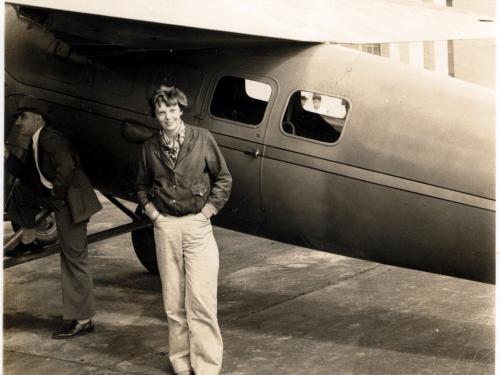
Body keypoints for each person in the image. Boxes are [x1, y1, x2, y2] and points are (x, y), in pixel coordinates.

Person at [136, 85, 232, 375]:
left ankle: (206, 367)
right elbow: (141, 186)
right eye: (161, 111)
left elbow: (223, 178)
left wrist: (207, 212)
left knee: (201, 300)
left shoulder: (202, 138)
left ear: (181, 109)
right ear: (155, 115)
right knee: (173, 303)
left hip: (197, 227)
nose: (167, 116)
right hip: (165, 228)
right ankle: (181, 363)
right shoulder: (149, 147)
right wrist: (153, 214)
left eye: (172, 109)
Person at [4, 96, 102, 339]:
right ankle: (29, 239)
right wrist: (8, 158)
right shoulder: (37, 140)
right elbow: (28, 176)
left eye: (22, 118)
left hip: (72, 204)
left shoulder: (50, 138)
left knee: (74, 260)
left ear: (38, 118)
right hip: (58, 197)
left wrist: (57, 195)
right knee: (20, 191)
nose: (19, 123)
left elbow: (66, 167)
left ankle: (83, 319)